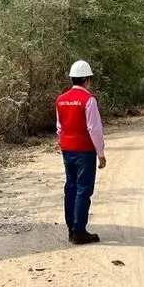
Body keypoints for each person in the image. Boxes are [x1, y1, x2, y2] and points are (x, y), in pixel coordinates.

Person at [56, 60, 107, 245]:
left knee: (70, 187)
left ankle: (71, 229)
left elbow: (59, 127)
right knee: (83, 189)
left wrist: (63, 144)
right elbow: (94, 129)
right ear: (87, 80)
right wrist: (100, 153)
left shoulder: (61, 99)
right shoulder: (89, 100)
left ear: (72, 78)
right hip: (84, 151)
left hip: (67, 150)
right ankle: (79, 231)